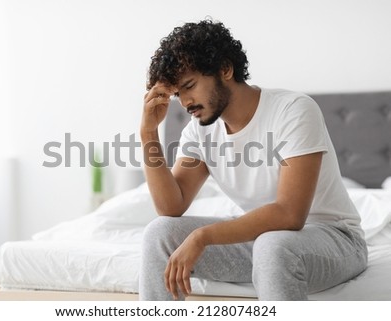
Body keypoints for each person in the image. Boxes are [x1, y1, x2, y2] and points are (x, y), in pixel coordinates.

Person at [139, 19, 367, 301]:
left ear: (224, 69)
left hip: (334, 241)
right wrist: (149, 132)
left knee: (273, 246)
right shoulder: (199, 131)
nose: (185, 103)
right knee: (159, 233)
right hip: (260, 242)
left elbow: (289, 214)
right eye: (177, 94)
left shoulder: (294, 111)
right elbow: (170, 206)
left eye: (190, 85)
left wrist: (203, 236)